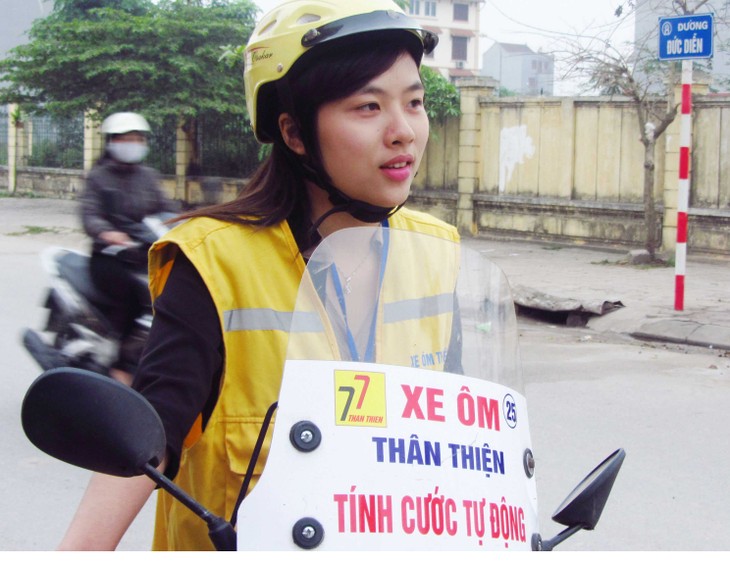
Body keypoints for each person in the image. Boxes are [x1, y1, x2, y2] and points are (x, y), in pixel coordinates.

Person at [59, 0, 459, 550]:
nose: (404, 132)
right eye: (368, 106)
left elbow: (464, 437)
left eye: (414, 103)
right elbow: (152, 435)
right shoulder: (215, 263)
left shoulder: (438, 253)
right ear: (294, 134)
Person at [79, 112, 177, 386]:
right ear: (112, 142)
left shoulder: (148, 176)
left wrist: (181, 223)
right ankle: (120, 366)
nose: (133, 143)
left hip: (143, 253)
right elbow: (90, 214)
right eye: (126, 138)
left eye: (137, 138)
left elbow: (166, 209)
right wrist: (107, 233)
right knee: (135, 299)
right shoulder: (99, 177)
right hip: (109, 257)